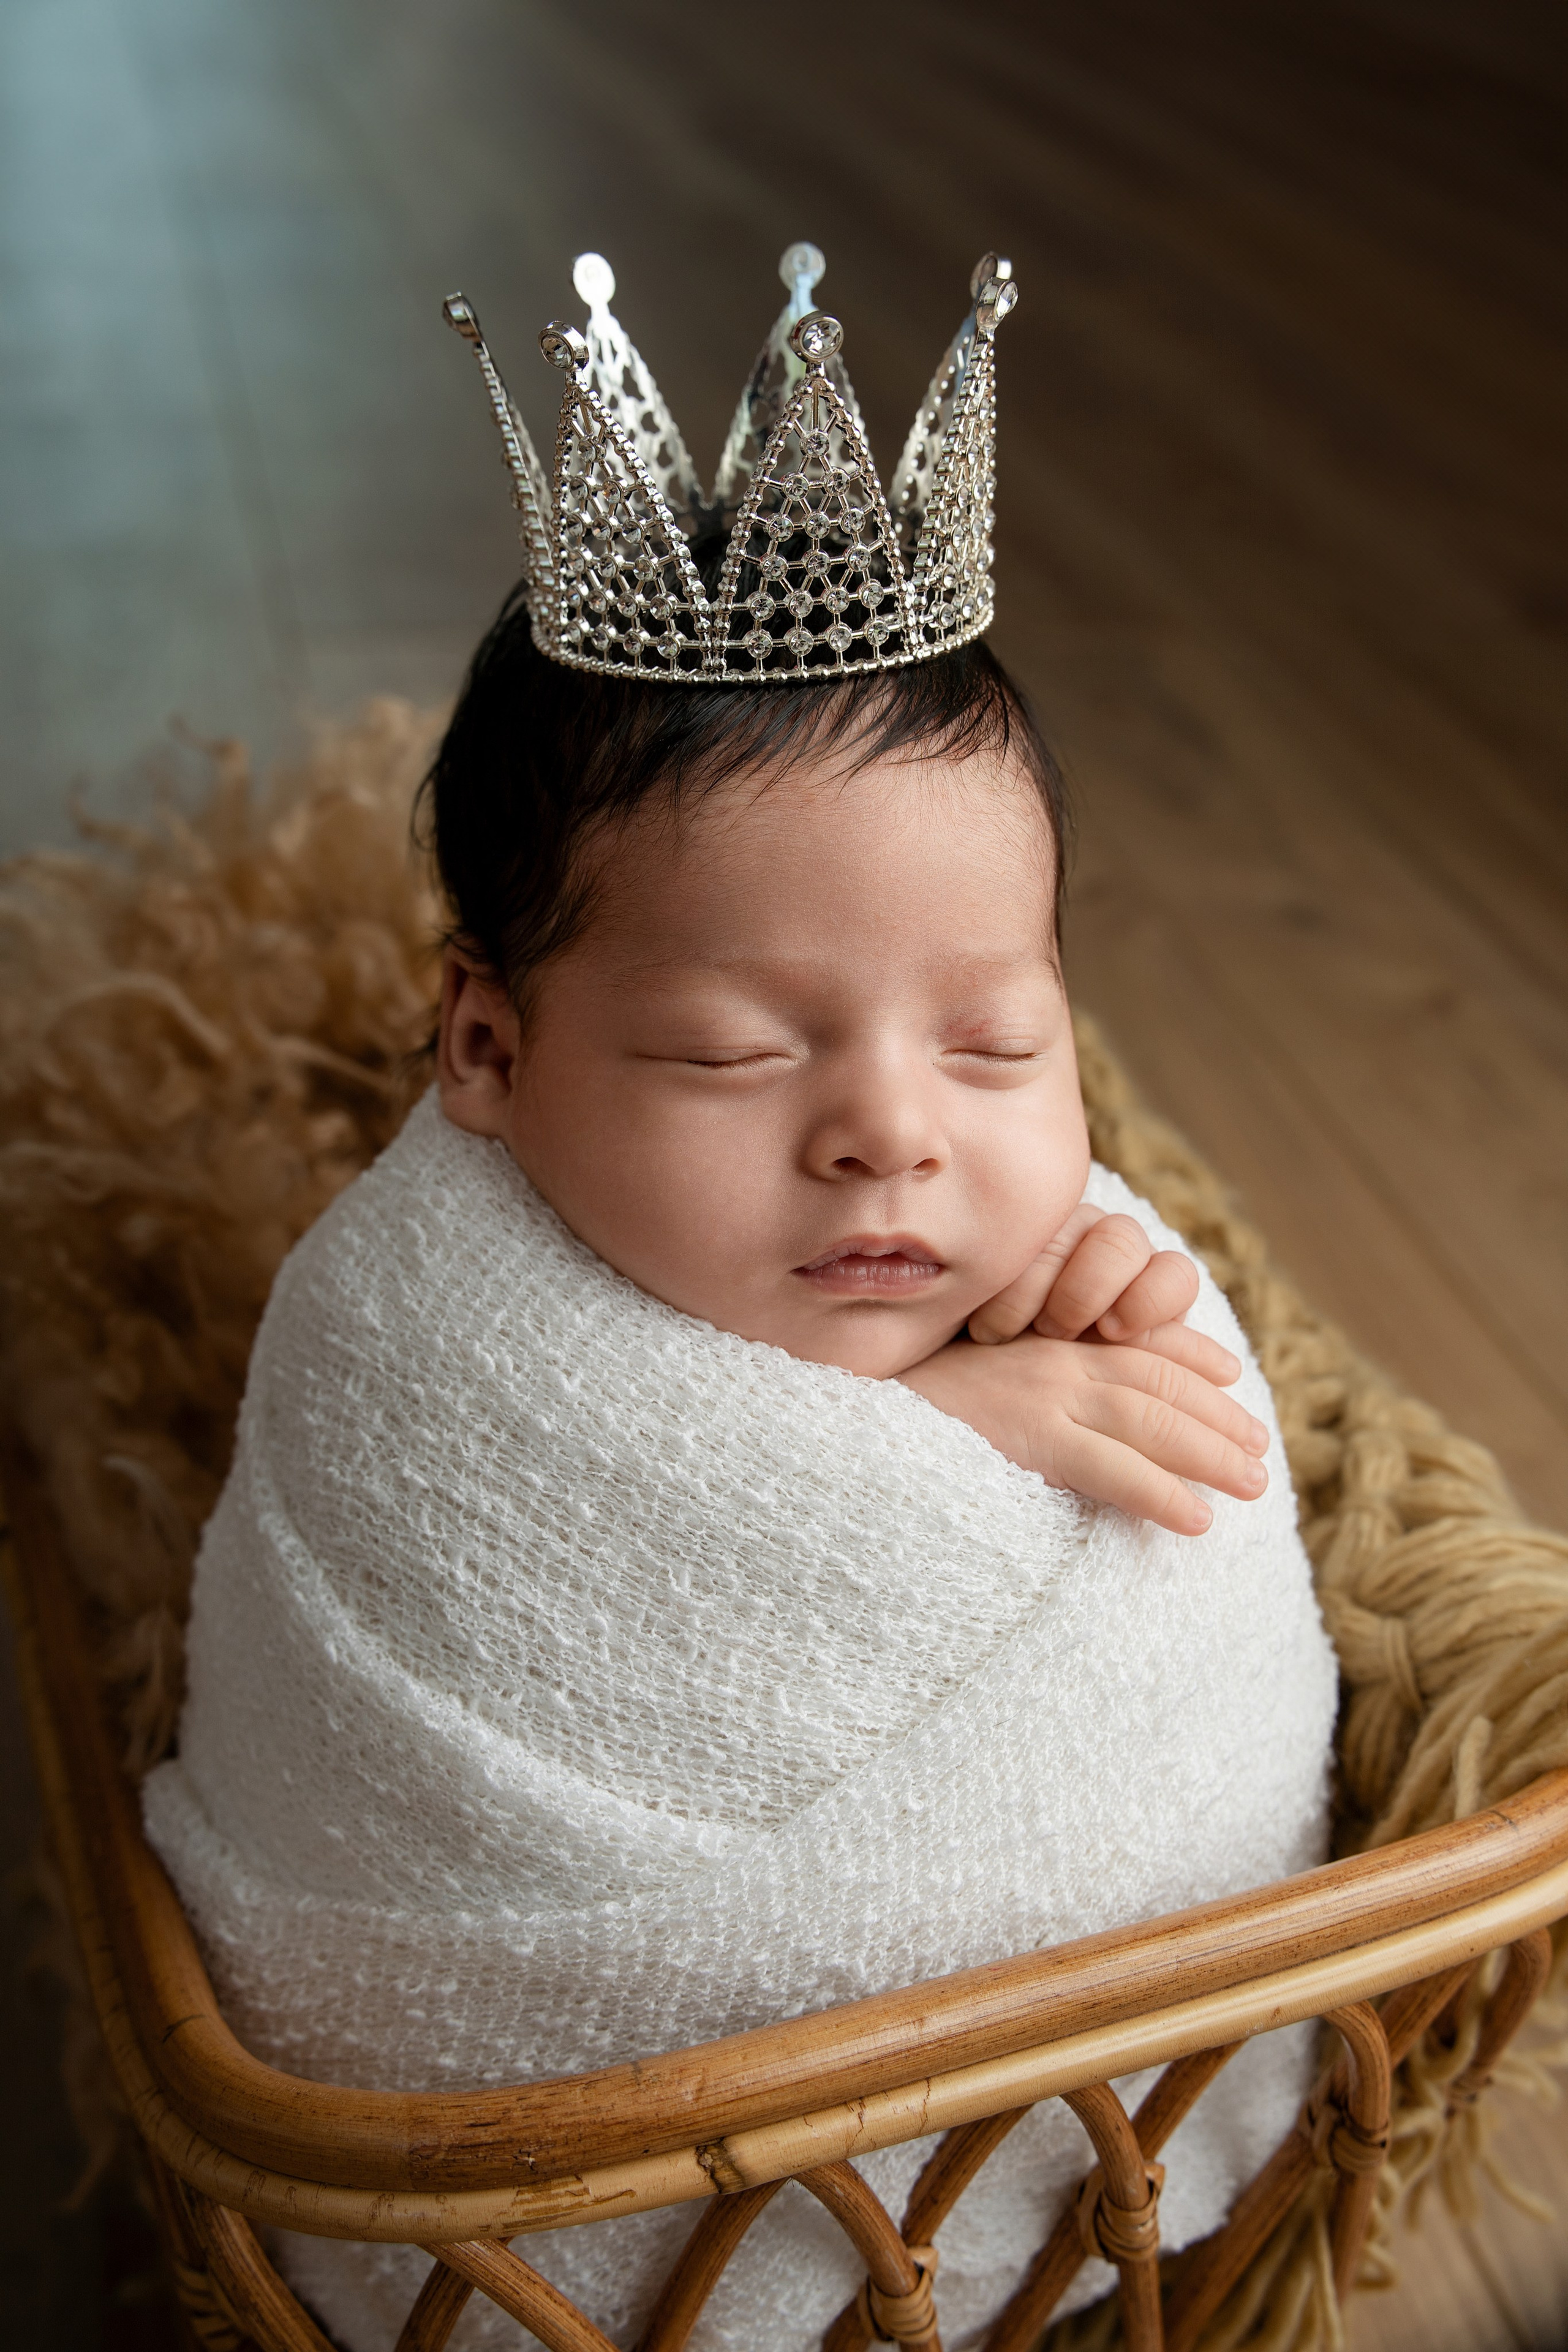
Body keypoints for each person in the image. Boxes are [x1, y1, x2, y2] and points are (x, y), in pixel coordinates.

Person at [143, 250, 1336, 2351]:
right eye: (729, 1054)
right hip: (541, 2233)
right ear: (488, 1055)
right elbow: (545, 1578)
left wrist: (1124, 1346)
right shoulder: (416, 1341)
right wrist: (949, 1451)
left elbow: (1212, 1605)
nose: (894, 1136)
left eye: (995, 1044)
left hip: (1088, 2176)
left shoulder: (1046, 1252)